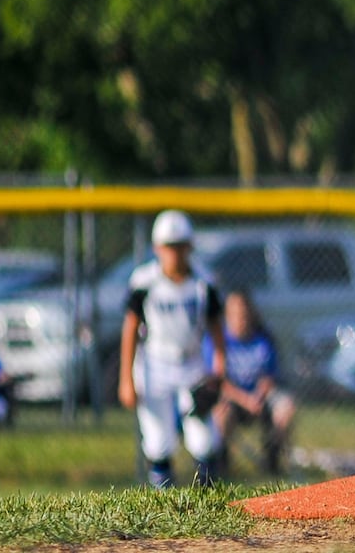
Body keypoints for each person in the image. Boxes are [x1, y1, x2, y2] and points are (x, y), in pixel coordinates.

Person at [117, 209, 227, 488]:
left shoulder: (203, 282)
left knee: (204, 440)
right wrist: (126, 379)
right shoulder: (145, 282)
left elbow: (216, 326)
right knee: (158, 442)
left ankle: (206, 501)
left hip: (191, 364)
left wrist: (220, 367)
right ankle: (164, 502)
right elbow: (130, 329)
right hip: (155, 363)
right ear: (157, 248)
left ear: (190, 247)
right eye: (168, 247)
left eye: (179, 246)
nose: (174, 254)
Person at [209, 288, 296, 476]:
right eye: (235, 313)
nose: (241, 318)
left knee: (286, 408)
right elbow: (218, 381)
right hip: (233, 400)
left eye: (244, 312)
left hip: (260, 399)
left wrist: (258, 395)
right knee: (220, 414)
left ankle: (273, 462)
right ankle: (222, 468)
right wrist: (245, 400)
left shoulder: (263, 338)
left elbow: (270, 375)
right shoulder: (218, 339)